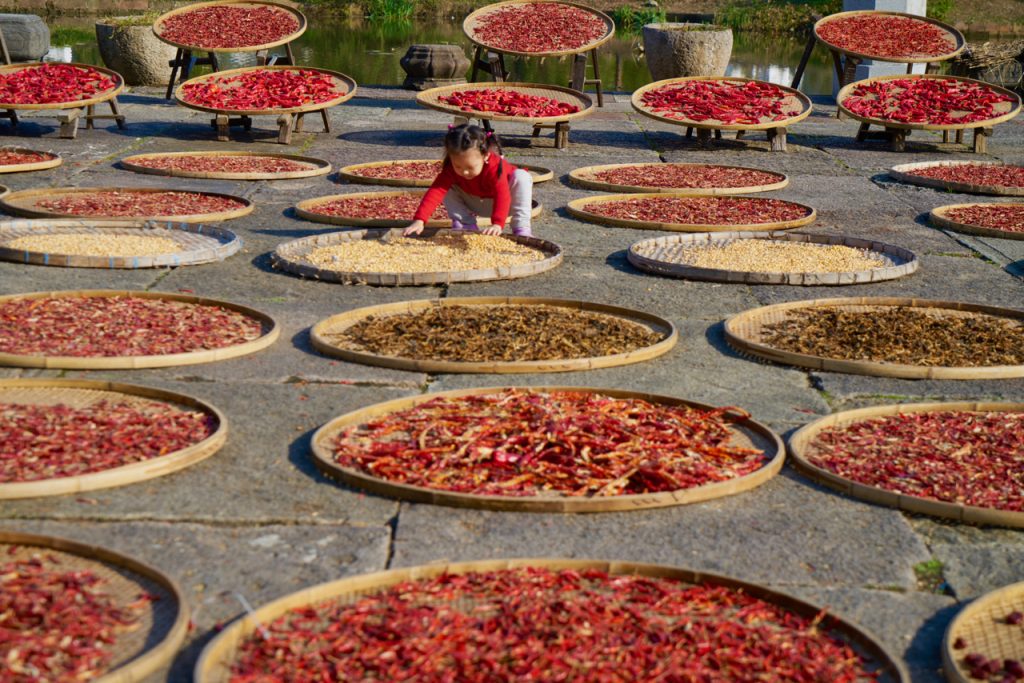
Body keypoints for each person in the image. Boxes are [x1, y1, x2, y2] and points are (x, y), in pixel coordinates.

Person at [403, 124, 534, 237]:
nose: (464, 172)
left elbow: (503, 195)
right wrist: (419, 220)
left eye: (470, 167)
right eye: (458, 166)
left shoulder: (495, 166)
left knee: (522, 176)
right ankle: (465, 224)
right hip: (473, 202)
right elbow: (435, 192)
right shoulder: (450, 169)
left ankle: (521, 227)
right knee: (443, 186)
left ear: (486, 156)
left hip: (506, 204)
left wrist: (497, 224)